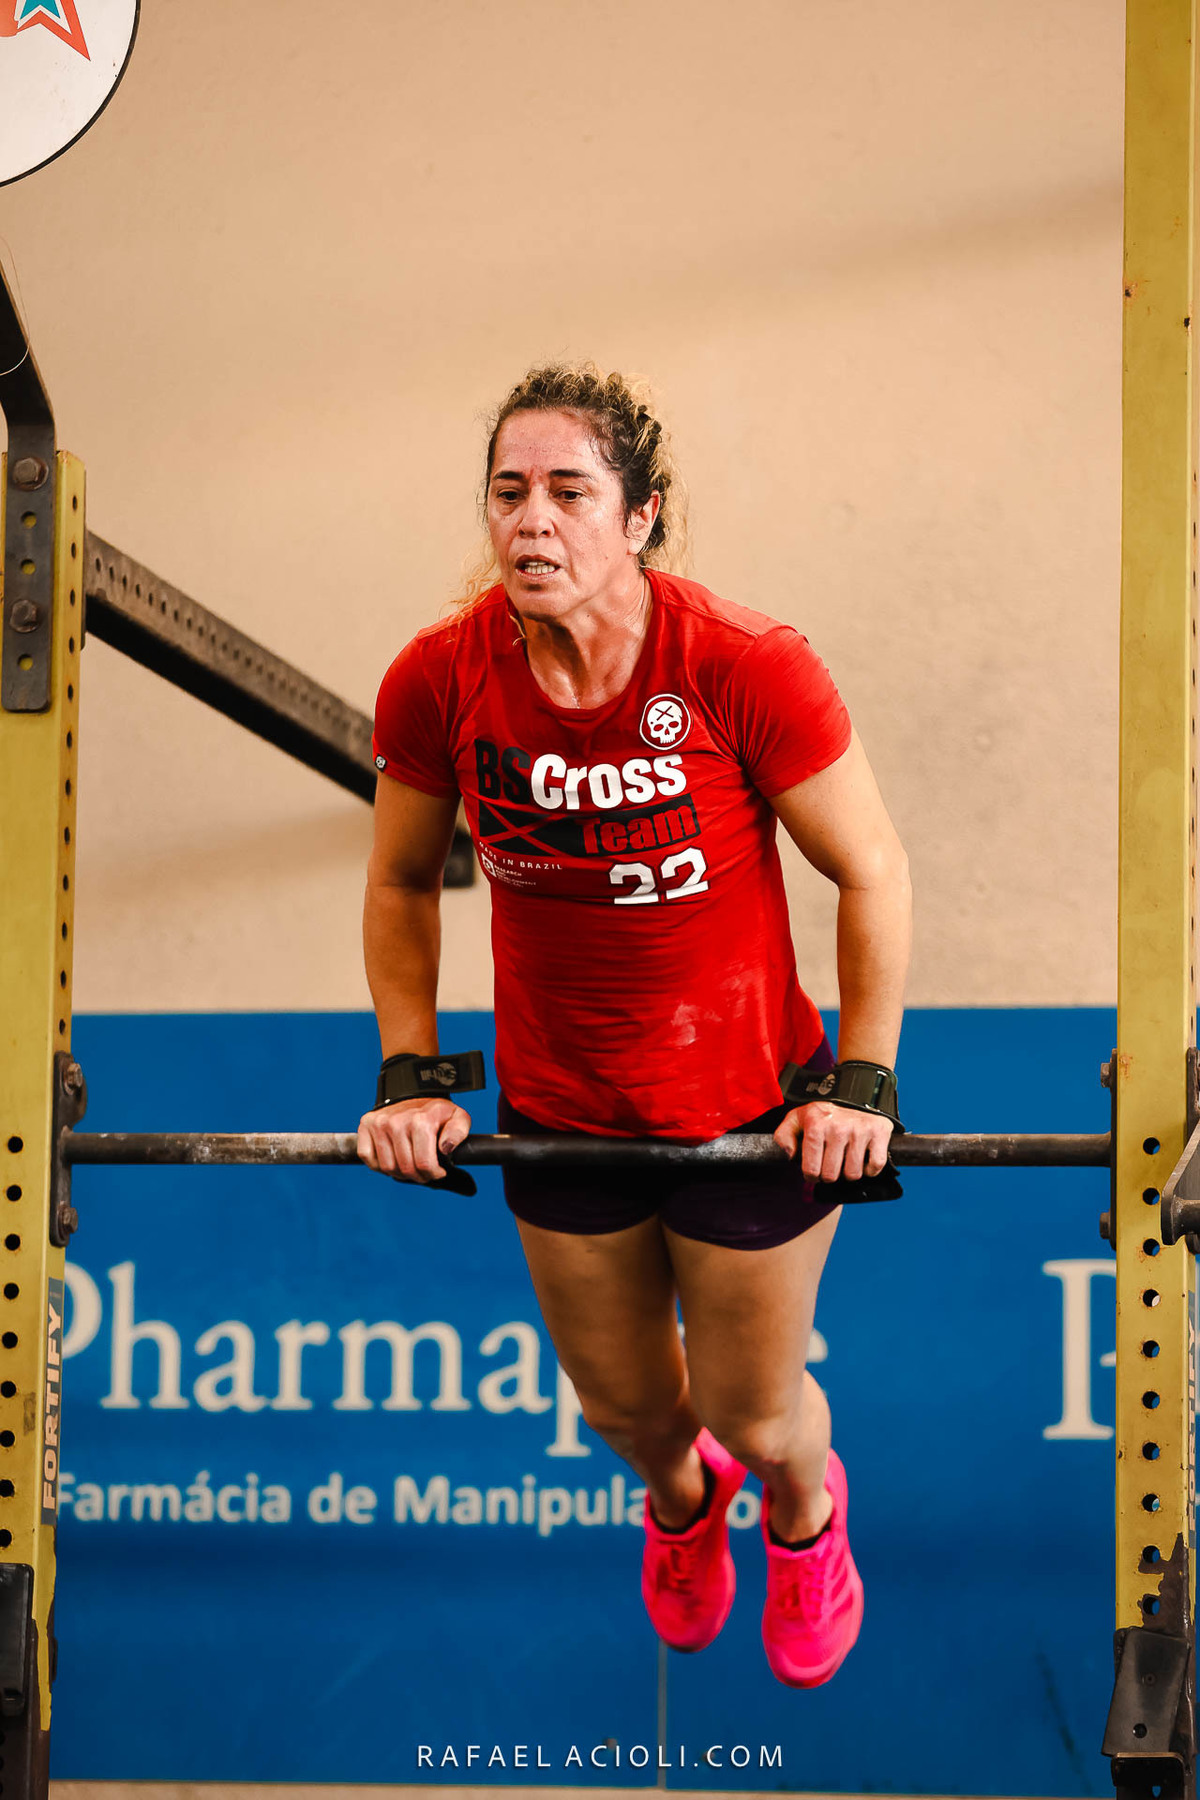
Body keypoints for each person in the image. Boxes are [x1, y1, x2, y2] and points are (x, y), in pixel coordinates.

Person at [357, 363, 912, 1688]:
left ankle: (801, 1512)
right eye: (509, 493)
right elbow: (399, 882)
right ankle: (681, 1503)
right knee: (623, 1409)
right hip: (563, 1115)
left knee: (753, 1415)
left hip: (750, 1112)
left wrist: (864, 1083)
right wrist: (411, 1075)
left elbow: (874, 869)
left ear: (642, 515)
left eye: (569, 491)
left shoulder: (742, 664)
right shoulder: (439, 679)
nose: (532, 520)